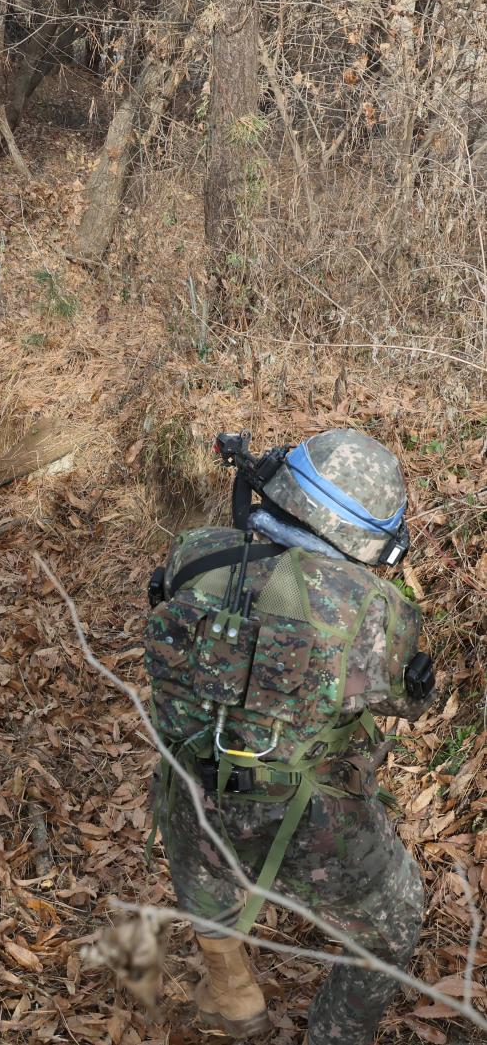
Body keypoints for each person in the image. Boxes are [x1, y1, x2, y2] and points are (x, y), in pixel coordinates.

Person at [144, 428, 437, 1045]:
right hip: (304, 818)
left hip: (190, 795)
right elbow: (407, 704)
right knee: (395, 918)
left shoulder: (197, 550)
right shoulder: (379, 610)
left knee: (196, 847)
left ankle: (231, 988)